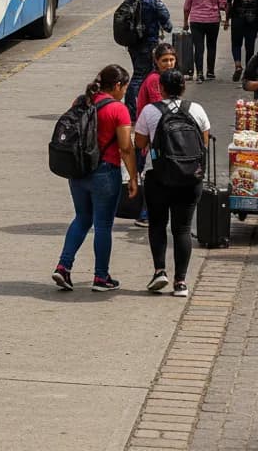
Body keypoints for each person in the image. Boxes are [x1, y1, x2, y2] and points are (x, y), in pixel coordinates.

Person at [51, 65, 138, 293]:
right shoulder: (118, 110)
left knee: (81, 218)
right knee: (102, 225)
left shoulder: (81, 101)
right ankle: (101, 277)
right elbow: (126, 148)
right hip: (105, 173)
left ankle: (63, 266)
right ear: (117, 86)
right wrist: (134, 178)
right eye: (125, 88)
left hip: (78, 171)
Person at [134, 69, 211, 297]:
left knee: (157, 224)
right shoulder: (196, 109)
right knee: (183, 229)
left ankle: (160, 271)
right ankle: (181, 282)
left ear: (162, 89)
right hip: (190, 178)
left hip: (158, 177)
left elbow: (139, 143)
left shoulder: (150, 111)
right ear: (183, 88)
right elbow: (203, 142)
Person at [134, 42, 178, 228]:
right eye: (164, 60)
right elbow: (160, 108)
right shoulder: (154, 80)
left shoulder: (169, 78)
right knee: (154, 175)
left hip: (162, 135)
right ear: (156, 61)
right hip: (152, 137)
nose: (168, 63)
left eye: (171, 59)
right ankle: (145, 214)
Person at [123, 0, 173, 117]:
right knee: (141, 76)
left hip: (133, 43)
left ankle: (141, 106)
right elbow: (166, 21)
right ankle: (132, 110)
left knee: (141, 74)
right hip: (148, 44)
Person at [183, 0, 227, 83]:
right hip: (213, 21)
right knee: (211, 46)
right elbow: (223, 3)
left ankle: (200, 74)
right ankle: (211, 72)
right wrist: (226, 18)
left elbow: (187, 7)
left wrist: (185, 22)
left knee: (198, 48)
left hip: (196, 22)